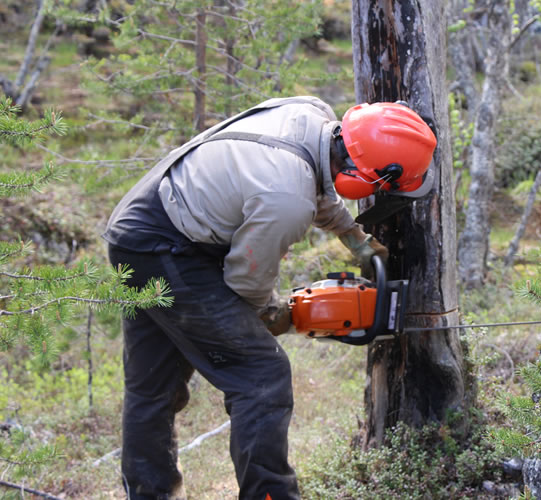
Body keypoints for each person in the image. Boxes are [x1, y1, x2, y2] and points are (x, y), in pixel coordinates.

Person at [102, 97, 437, 499]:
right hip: (165, 248)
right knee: (262, 375)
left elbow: (311, 184)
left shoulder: (311, 113)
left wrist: (356, 239)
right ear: (363, 174)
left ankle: (148, 492)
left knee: (152, 383)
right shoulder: (285, 198)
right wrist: (276, 314)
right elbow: (246, 281)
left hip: (141, 223)